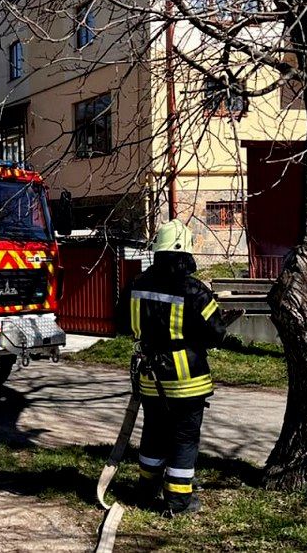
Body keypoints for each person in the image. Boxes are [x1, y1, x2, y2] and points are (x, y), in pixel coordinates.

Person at [123, 219, 231, 516]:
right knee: (184, 439)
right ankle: (179, 501)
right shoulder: (195, 291)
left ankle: (145, 491)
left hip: (150, 377)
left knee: (154, 434)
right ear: (185, 252)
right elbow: (216, 333)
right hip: (187, 381)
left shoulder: (135, 285)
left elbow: (124, 323)